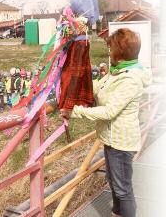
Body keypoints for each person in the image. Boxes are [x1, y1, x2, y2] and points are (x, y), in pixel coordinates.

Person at [61, 28, 151, 217]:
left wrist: (73, 111)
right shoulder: (116, 72)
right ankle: (117, 213)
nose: (109, 52)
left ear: (119, 52)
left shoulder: (130, 79)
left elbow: (109, 111)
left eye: (111, 49)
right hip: (111, 140)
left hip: (121, 142)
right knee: (115, 182)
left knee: (122, 188)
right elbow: (98, 87)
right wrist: (73, 90)